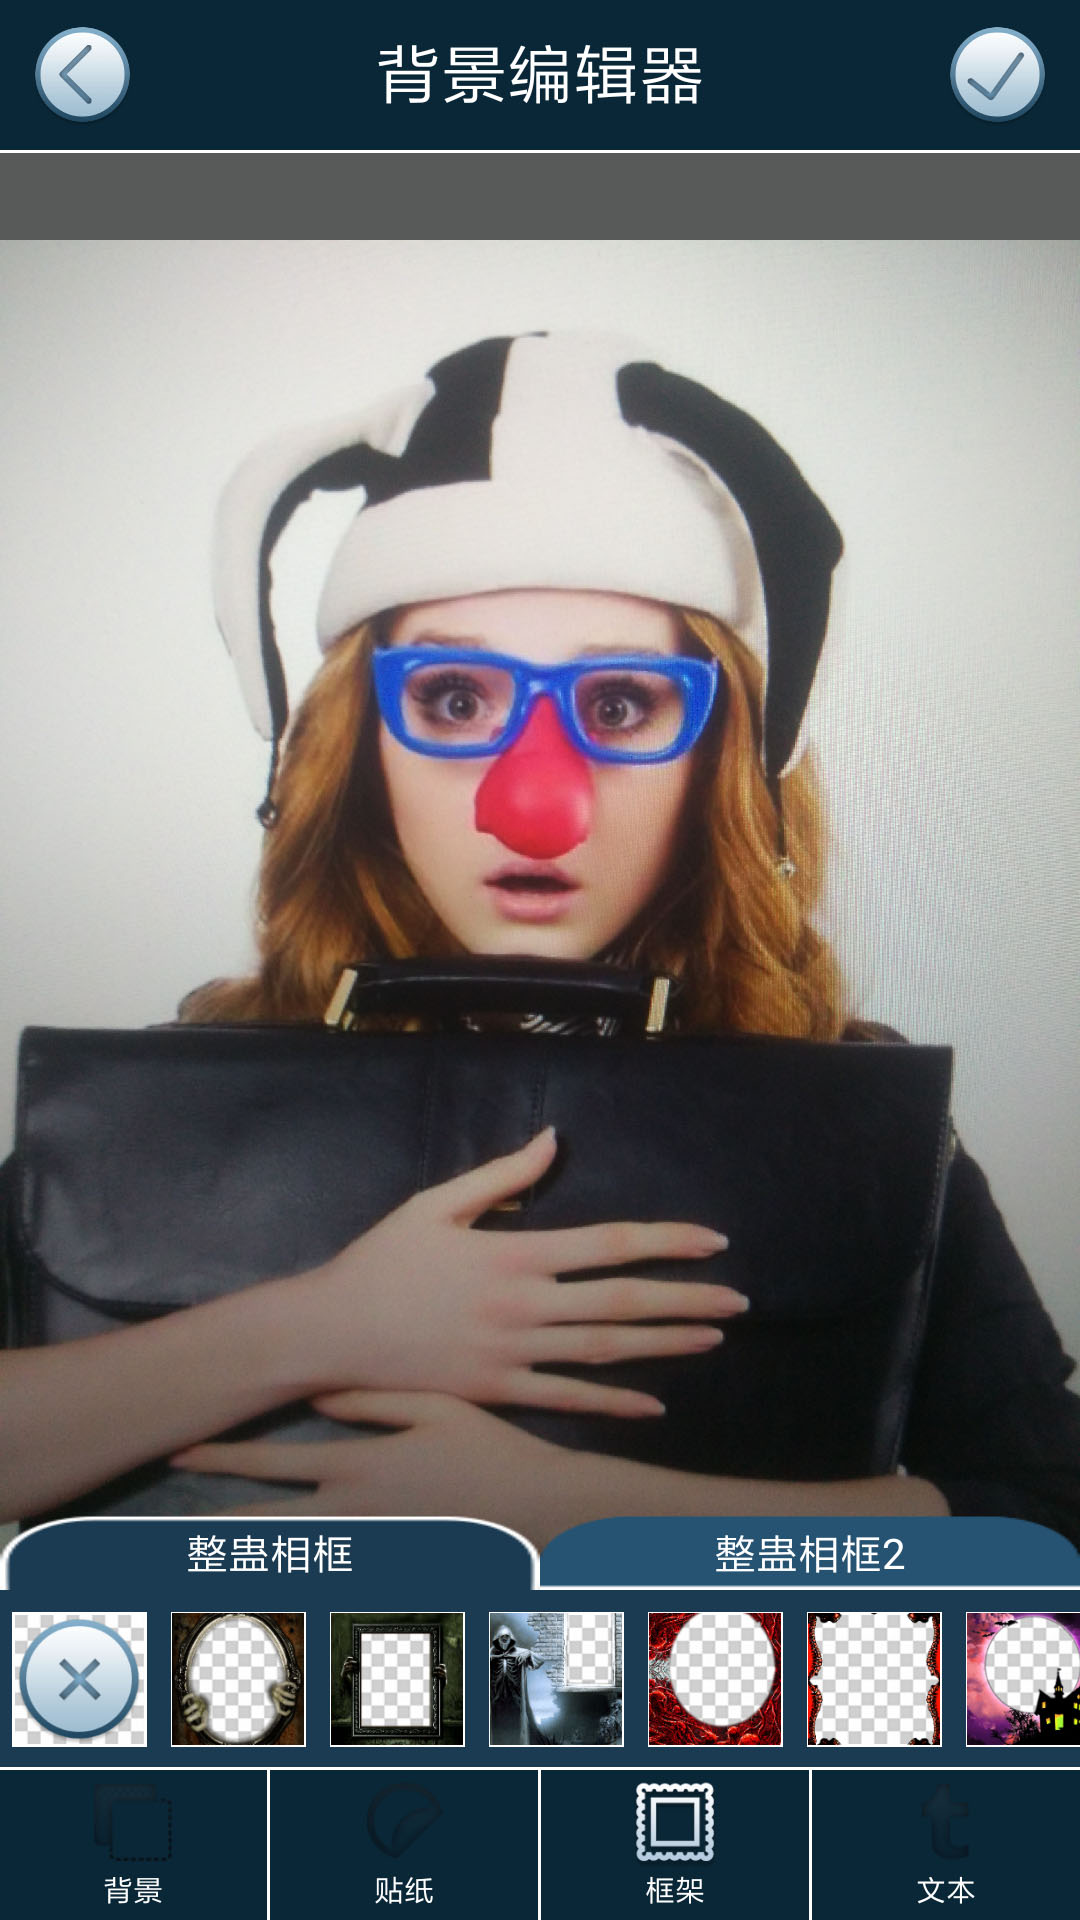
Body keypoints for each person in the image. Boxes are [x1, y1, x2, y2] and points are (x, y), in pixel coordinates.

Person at [3, 333, 1079, 1544]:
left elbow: (1049, 1534)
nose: (534, 801)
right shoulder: (172, 1092)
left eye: (619, 704)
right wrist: (316, 1326)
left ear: (723, 759)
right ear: (361, 744)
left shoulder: (857, 1113)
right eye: (455, 698)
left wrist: (579, 1515)